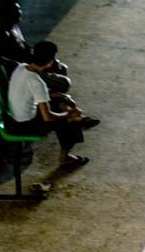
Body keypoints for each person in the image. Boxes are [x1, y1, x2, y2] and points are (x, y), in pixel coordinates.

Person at [6, 40, 94, 168]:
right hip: (25, 125)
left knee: (59, 103)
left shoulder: (21, 67)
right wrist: (68, 114)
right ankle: (66, 157)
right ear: (50, 62)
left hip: (14, 117)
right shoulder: (37, 83)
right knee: (69, 122)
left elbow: (32, 92)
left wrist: (61, 96)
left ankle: (76, 118)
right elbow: (48, 117)